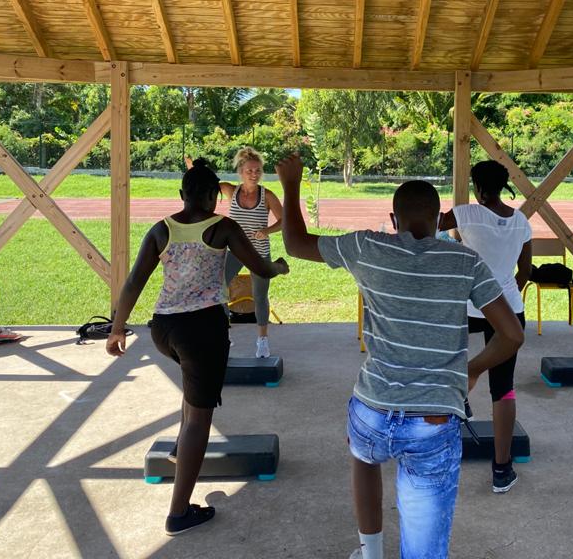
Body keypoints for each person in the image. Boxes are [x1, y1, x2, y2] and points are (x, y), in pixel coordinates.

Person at [275, 153, 524, 559]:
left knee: (362, 453)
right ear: (439, 216)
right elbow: (511, 335)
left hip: (372, 413)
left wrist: (289, 184)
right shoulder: (464, 261)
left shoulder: (366, 246)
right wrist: (471, 371)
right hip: (433, 420)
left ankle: (370, 551)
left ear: (394, 219)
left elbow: (295, 243)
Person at [106, 158, 289, 535]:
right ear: (212, 197)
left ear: (182, 195)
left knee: (192, 389)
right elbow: (260, 267)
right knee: (201, 420)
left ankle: (178, 452)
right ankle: (178, 513)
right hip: (202, 330)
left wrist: (118, 328)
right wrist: (280, 268)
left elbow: (133, 283)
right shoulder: (223, 227)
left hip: (164, 329)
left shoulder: (161, 229)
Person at [438, 160, 532, 494]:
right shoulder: (521, 221)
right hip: (507, 310)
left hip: (465, 306)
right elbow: (525, 271)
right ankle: (502, 470)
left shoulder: (465, 213)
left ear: (478, 187)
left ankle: (456, 393)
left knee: (445, 364)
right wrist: (505, 296)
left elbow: (427, 225)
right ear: (503, 185)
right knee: (504, 387)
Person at [219, 147, 283, 358]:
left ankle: (262, 341)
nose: (254, 174)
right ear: (240, 171)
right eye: (249, 170)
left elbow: (284, 221)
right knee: (219, 290)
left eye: (257, 170)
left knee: (259, 296)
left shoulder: (267, 195)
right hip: (235, 251)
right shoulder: (231, 190)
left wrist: (267, 230)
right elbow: (207, 185)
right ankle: (222, 336)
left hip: (259, 253)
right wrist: (192, 169)